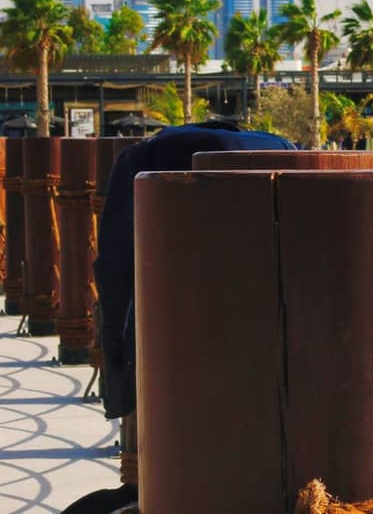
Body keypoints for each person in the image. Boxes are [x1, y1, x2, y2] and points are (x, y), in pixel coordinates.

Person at [75, 120, 296, 513]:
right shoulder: (282, 155)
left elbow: (115, 276)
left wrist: (120, 383)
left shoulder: (146, 167)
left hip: (181, 385)